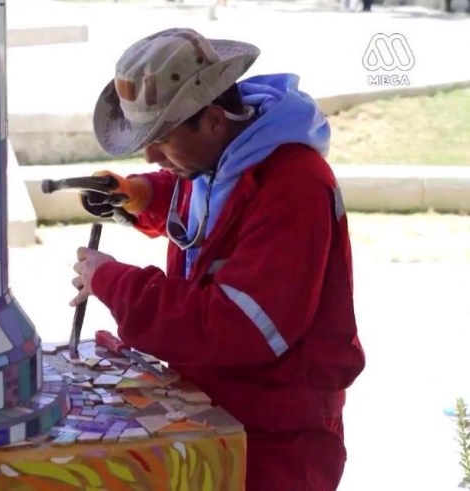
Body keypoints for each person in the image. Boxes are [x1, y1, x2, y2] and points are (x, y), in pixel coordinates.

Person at [70, 28, 365, 490]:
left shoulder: (294, 187)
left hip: (276, 438)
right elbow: (204, 199)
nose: (150, 156)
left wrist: (113, 281)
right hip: (223, 410)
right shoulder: (226, 151)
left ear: (211, 120)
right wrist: (139, 195)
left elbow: (237, 327)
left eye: (161, 140)